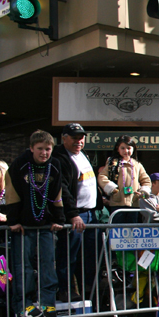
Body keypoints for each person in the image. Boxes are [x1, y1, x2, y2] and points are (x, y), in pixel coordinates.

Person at [3, 130, 65, 317]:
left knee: (48, 264)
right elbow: (11, 193)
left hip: (45, 224)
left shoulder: (55, 165)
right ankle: (23, 304)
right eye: (40, 149)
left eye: (47, 149)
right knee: (24, 266)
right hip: (23, 225)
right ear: (31, 148)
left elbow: (57, 193)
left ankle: (48, 303)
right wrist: (13, 221)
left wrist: (59, 219)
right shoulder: (19, 164)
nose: (44, 153)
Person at [53, 123, 99, 303]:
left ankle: (89, 294)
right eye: (74, 138)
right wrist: (72, 214)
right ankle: (65, 290)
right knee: (69, 256)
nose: (79, 141)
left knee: (89, 258)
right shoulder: (59, 158)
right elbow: (62, 189)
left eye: (81, 138)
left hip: (90, 213)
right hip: (75, 215)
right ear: (64, 138)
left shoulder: (82, 155)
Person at [97, 135, 151, 222]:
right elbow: (102, 176)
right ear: (118, 149)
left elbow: (146, 180)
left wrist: (143, 192)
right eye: (123, 148)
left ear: (133, 149)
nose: (126, 151)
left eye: (129, 148)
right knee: (117, 227)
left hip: (133, 202)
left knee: (131, 227)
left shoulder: (137, 164)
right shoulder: (112, 163)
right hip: (117, 203)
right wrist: (112, 188)